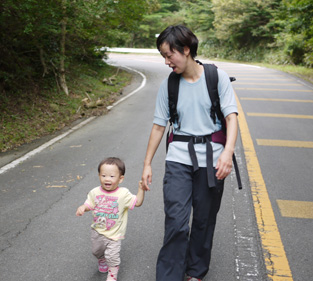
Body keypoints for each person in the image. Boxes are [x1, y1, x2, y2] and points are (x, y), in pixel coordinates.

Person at [140, 25, 239, 281]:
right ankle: (169, 276)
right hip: (178, 160)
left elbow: (231, 118)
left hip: (213, 159)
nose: (166, 62)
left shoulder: (217, 78)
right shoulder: (169, 86)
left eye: (168, 55)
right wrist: (147, 164)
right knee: (176, 219)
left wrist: (227, 154)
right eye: (163, 56)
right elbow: (159, 126)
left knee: (204, 220)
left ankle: (194, 272)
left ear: (186, 50)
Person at [76, 157, 146, 281]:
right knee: (96, 251)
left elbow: (138, 202)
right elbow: (90, 204)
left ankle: (112, 275)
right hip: (97, 231)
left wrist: (141, 190)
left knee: (112, 256)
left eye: (112, 176)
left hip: (114, 234)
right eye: (103, 175)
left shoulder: (123, 194)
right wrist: (83, 207)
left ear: (121, 178)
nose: (107, 179)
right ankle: (102, 259)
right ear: (99, 176)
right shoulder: (95, 192)